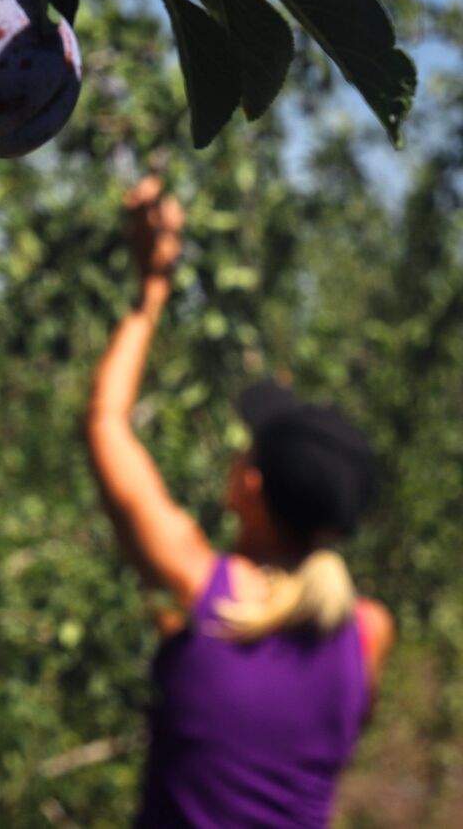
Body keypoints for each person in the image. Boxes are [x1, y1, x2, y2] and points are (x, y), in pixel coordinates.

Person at [84, 176, 395, 828]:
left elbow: (107, 423)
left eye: (245, 448)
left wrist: (151, 290)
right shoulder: (368, 633)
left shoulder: (204, 588)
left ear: (250, 486)